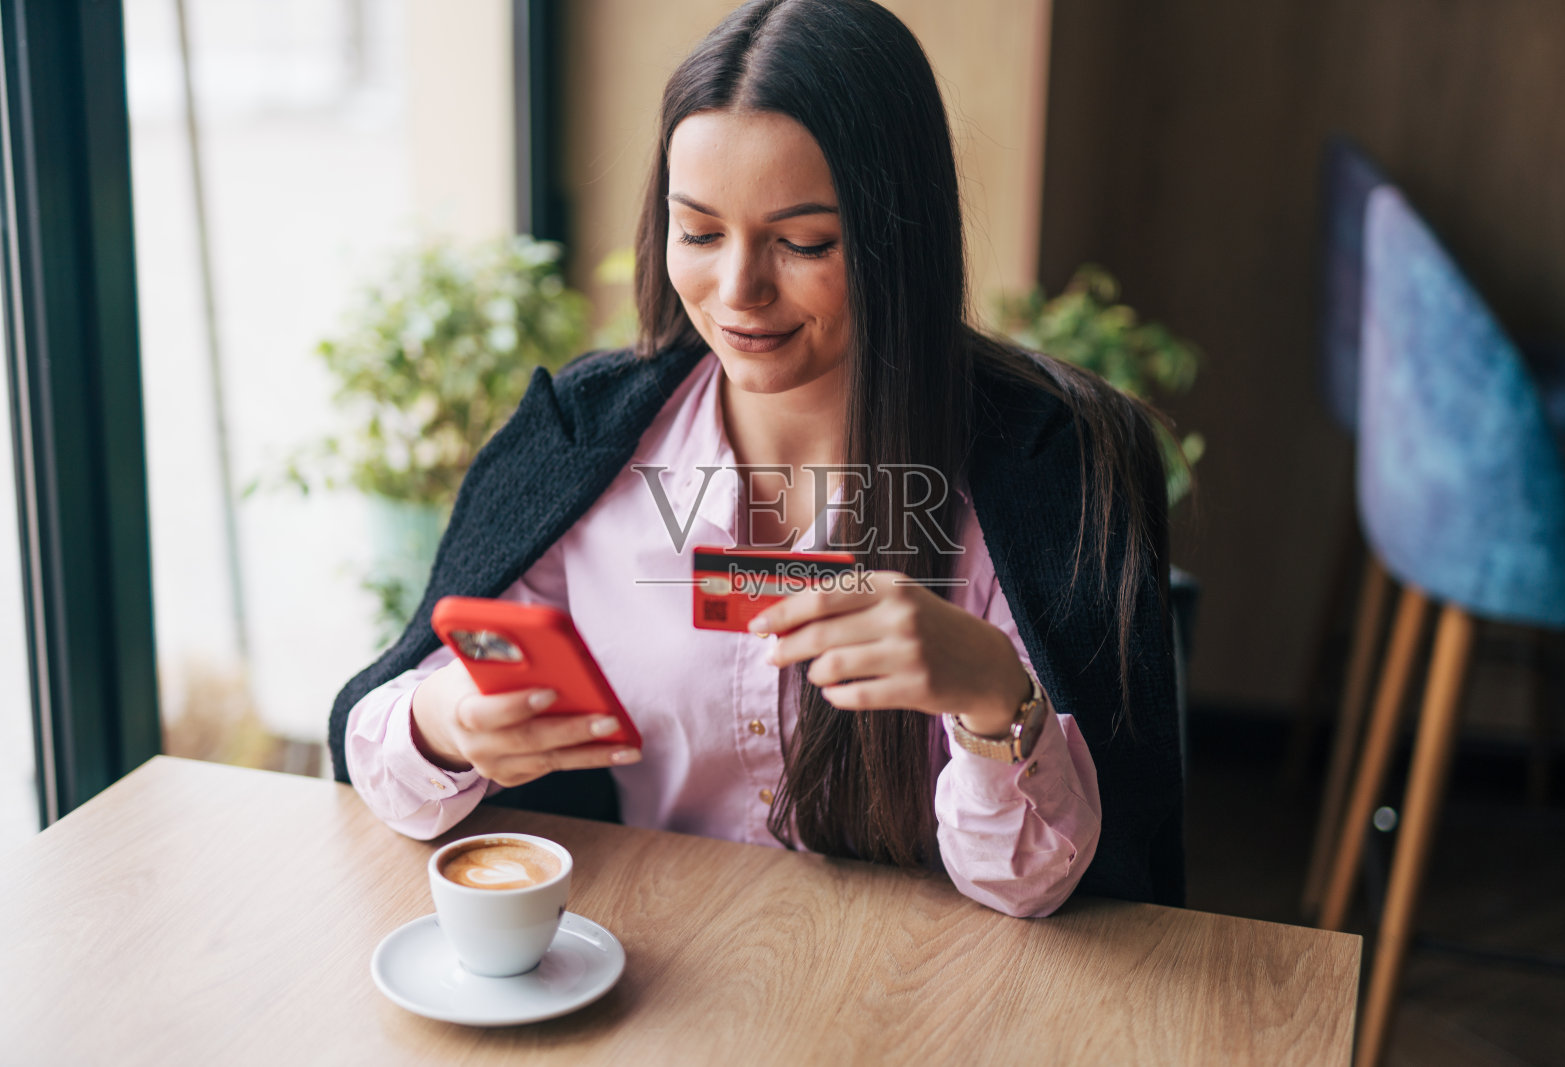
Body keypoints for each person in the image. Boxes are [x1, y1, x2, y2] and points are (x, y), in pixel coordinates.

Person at [330, 0, 1183, 916]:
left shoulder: (1050, 472)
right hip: (661, 968)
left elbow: (1043, 886)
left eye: (803, 242)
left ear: (900, 239)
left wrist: (991, 694)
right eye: (698, 233)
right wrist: (446, 724)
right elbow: (380, 728)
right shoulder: (586, 445)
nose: (739, 292)